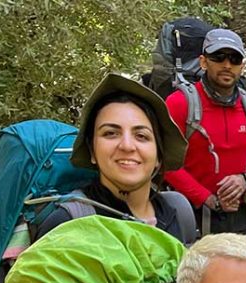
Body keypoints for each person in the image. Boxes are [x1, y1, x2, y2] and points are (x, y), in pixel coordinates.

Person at [35, 74, 193, 244]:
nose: (127, 146)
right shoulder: (66, 225)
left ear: (158, 156)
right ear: (92, 151)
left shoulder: (177, 212)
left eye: (141, 136)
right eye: (110, 133)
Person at [164, 29, 246, 239]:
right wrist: (208, 199)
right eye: (218, 57)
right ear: (203, 62)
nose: (227, 65)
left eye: (234, 59)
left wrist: (245, 179)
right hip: (188, 212)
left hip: (236, 211)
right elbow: (167, 164)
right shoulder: (179, 104)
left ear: (242, 66)